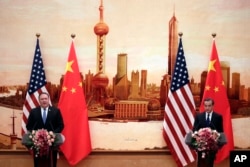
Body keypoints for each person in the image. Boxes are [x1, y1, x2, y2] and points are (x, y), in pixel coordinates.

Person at [26, 92, 64, 167]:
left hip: (52, 145)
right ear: (39, 100)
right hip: (38, 145)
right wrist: (36, 134)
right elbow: (29, 126)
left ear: (48, 99)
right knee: (38, 164)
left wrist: (51, 134)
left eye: (46, 99)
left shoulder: (56, 111)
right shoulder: (33, 112)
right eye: (42, 99)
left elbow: (61, 125)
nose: (44, 100)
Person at [192, 97, 223, 167]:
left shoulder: (218, 117)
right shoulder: (199, 116)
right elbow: (194, 130)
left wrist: (216, 137)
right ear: (204, 106)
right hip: (200, 146)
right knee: (201, 164)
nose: (207, 108)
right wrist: (197, 139)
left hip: (212, 147)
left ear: (212, 106)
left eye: (209, 106)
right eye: (205, 106)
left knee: (209, 164)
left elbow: (220, 132)